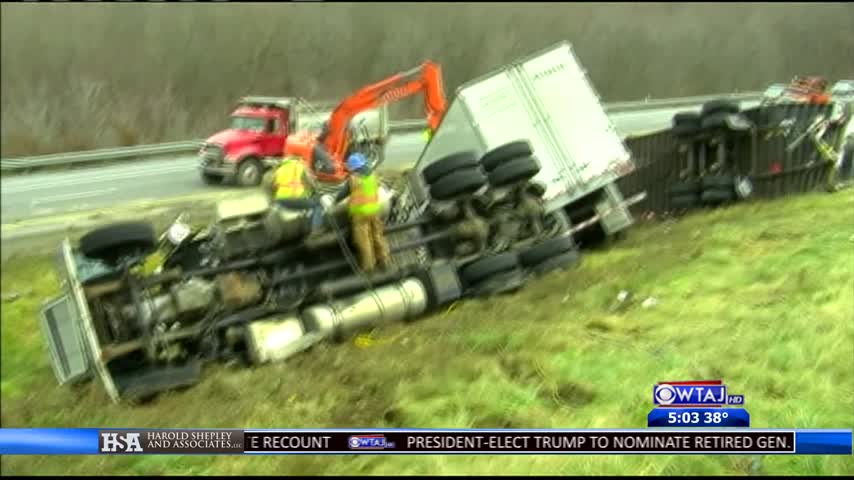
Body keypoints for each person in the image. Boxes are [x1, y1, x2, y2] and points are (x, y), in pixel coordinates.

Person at [335, 152, 391, 272]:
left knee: (363, 240)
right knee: (377, 235)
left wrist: (335, 202)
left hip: (360, 214)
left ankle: (368, 267)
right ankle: (384, 261)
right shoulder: (373, 175)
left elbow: (340, 197)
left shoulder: (354, 179)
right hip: (374, 211)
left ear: (353, 167)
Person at [273, 155, 324, 229]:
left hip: (280, 200)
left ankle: (304, 225)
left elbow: (273, 186)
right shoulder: (300, 166)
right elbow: (311, 182)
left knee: (307, 203)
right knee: (318, 204)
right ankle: (316, 231)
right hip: (295, 198)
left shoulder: (279, 169)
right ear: (297, 159)